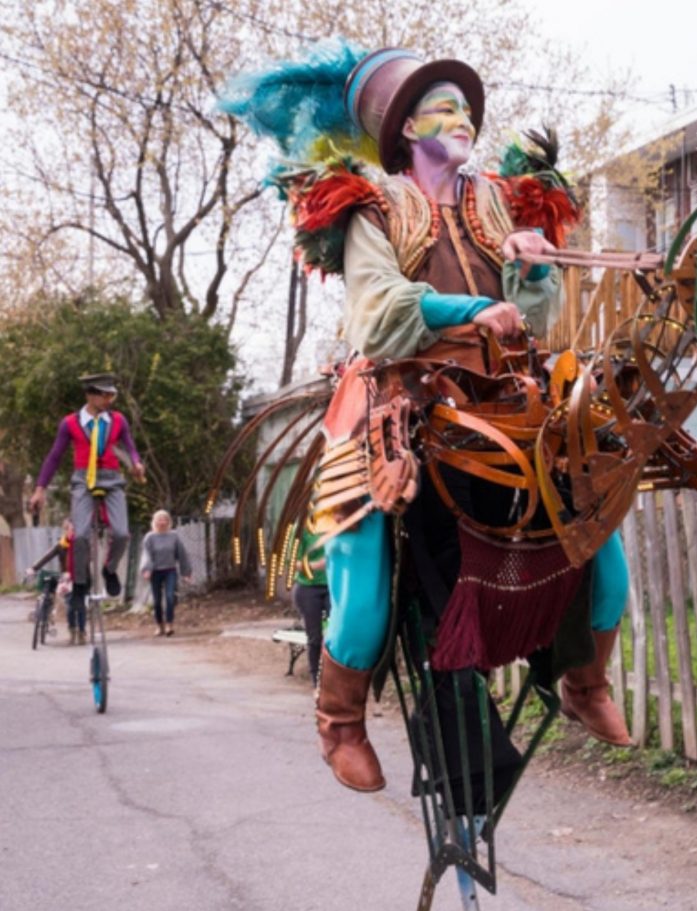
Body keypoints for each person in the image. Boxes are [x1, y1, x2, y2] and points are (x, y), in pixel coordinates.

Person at [224, 45, 636, 792]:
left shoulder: (503, 203)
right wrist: (475, 308)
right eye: (445, 108)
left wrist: (534, 270)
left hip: (506, 403)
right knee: (365, 592)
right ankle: (339, 720)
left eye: (467, 109)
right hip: (398, 405)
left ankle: (584, 681)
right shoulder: (370, 208)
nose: (464, 120)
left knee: (600, 536)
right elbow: (379, 317)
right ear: (408, 127)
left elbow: (534, 319)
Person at [28, 373, 146, 599]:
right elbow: (54, 457)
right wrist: (40, 489)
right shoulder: (70, 423)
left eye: (112, 395)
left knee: (121, 533)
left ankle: (109, 570)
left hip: (112, 479)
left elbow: (130, 447)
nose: (109, 400)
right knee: (80, 535)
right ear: (91, 395)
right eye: (105, 395)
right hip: (83, 480)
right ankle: (81, 581)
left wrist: (136, 462)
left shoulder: (118, 420)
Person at [289, 523, 330, 689]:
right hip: (308, 588)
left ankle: (336, 677)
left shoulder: (334, 524)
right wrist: (317, 565)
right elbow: (293, 563)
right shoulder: (300, 529)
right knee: (315, 638)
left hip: (331, 586)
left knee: (335, 633)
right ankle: (317, 680)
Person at [140, 510, 192, 637]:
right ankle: (159, 625)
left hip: (170, 571)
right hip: (155, 572)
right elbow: (147, 555)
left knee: (169, 597)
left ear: (169, 522)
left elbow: (182, 554)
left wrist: (186, 572)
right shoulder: (150, 537)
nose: (162, 522)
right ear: (155, 522)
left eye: (165, 519)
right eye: (159, 519)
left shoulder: (174, 536)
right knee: (157, 601)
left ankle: (169, 625)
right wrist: (147, 569)